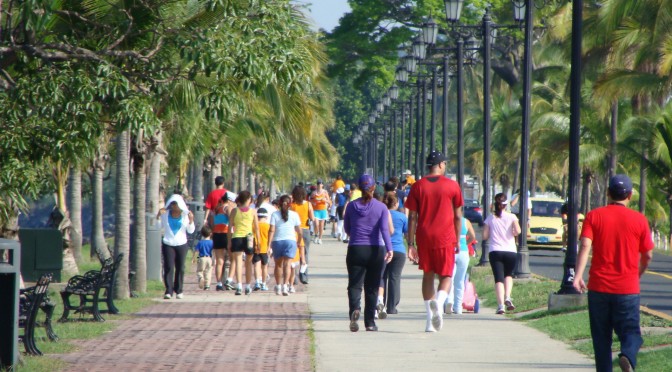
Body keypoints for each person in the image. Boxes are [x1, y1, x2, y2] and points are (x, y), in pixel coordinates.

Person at [573, 174, 653, 372]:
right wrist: (638, 273)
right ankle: (627, 354)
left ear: (608, 193)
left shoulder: (594, 216)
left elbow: (585, 245)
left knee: (601, 340)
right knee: (631, 333)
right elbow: (648, 255)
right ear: (630, 196)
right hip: (627, 289)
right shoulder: (639, 220)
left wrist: (577, 276)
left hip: (599, 287)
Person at [405, 150, 463, 332]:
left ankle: (430, 322)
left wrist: (411, 243)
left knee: (428, 275)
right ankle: (438, 302)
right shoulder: (452, 186)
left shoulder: (418, 186)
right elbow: (458, 216)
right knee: (446, 276)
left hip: (424, 236)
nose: (445, 166)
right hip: (445, 236)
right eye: (444, 163)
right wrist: (457, 238)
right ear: (439, 165)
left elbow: (412, 217)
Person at [343, 174, 394, 332]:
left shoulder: (351, 206)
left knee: (354, 285)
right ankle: (370, 322)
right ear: (373, 188)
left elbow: (347, 229)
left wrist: (356, 236)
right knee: (372, 287)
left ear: (359, 188)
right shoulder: (381, 207)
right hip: (375, 250)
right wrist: (390, 248)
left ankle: (355, 310)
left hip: (356, 249)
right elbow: (385, 230)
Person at [482, 193, 521, 315]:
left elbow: (484, 236)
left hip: (495, 251)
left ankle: (500, 306)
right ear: (505, 205)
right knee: (508, 275)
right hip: (510, 251)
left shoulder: (490, 218)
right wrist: (512, 233)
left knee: (498, 279)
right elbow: (518, 231)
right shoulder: (512, 217)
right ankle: (508, 297)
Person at [157, 194, 195, 299]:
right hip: (168, 243)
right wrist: (158, 217)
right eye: (172, 204)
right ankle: (168, 290)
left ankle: (179, 290)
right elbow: (158, 227)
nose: (174, 207)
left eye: (176, 204)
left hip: (182, 244)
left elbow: (190, 230)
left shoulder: (185, 215)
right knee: (169, 267)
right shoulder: (165, 214)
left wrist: (191, 220)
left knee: (180, 267)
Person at [378, 192, 407, 316]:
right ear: (395, 203)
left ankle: (381, 304)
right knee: (395, 278)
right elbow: (407, 233)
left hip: (383, 249)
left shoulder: (382, 214)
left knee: (382, 277)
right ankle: (392, 307)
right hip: (399, 250)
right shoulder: (402, 217)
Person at [268, 195, 303, 296]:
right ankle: (285, 286)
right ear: (290, 204)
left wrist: (269, 244)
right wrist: (299, 241)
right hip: (290, 241)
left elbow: (271, 230)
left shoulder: (274, 215)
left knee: (278, 265)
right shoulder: (294, 215)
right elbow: (299, 232)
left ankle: (278, 286)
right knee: (288, 265)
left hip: (277, 241)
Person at [227, 191, 261, 296]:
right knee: (248, 263)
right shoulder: (253, 211)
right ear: (248, 200)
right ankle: (247, 286)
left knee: (238, 263)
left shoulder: (234, 211)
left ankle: (239, 286)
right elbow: (256, 228)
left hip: (236, 237)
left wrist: (229, 241)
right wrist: (258, 242)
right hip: (249, 238)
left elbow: (230, 228)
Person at [445, 217, 477, 314]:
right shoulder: (466, 221)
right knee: (460, 280)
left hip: (451, 251)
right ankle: (458, 307)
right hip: (463, 251)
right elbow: (472, 236)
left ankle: (449, 302)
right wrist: (466, 244)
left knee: (449, 278)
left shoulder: (447, 220)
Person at [210, 192, 236, 291]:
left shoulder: (216, 209)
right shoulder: (227, 208)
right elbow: (231, 220)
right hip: (226, 234)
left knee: (219, 261)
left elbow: (212, 222)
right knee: (233, 258)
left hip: (216, 234)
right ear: (229, 200)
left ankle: (219, 283)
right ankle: (229, 280)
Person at [290, 185, 314, 284]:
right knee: (305, 253)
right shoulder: (308, 204)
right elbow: (312, 218)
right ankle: (304, 275)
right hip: (305, 230)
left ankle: (293, 277)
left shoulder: (292, 206)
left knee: (294, 254)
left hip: (294, 231)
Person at [253, 208, 271, 291]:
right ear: (266, 217)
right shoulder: (268, 226)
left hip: (256, 248)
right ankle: (263, 284)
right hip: (265, 248)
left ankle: (257, 282)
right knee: (264, 267)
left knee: (257, 265)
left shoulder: (253, 225)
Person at [192, 226, 214, 290]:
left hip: (201, 258)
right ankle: (207, 285)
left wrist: (194, 258)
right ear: (210, 234)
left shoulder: (200, 242)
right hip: (209, 258)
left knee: (199, 271)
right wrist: (214, 259)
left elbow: (196, 251)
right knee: (208, 272)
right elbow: (213, 251)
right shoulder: (212, 242)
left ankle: (201, 278)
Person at [310, 179, 331, 244]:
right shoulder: (314, 193)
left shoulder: (325, 192)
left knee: (321, 226)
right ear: (317, 185)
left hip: (323, 210)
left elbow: (329, 202)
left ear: (322, 185)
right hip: (316, 210)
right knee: (316, 224)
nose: (319, 185)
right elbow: (310, 200)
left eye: (320, 184)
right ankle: (316, 235)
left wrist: (325, 200)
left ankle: (320, 238)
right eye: (318, 184)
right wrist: (313, 202)